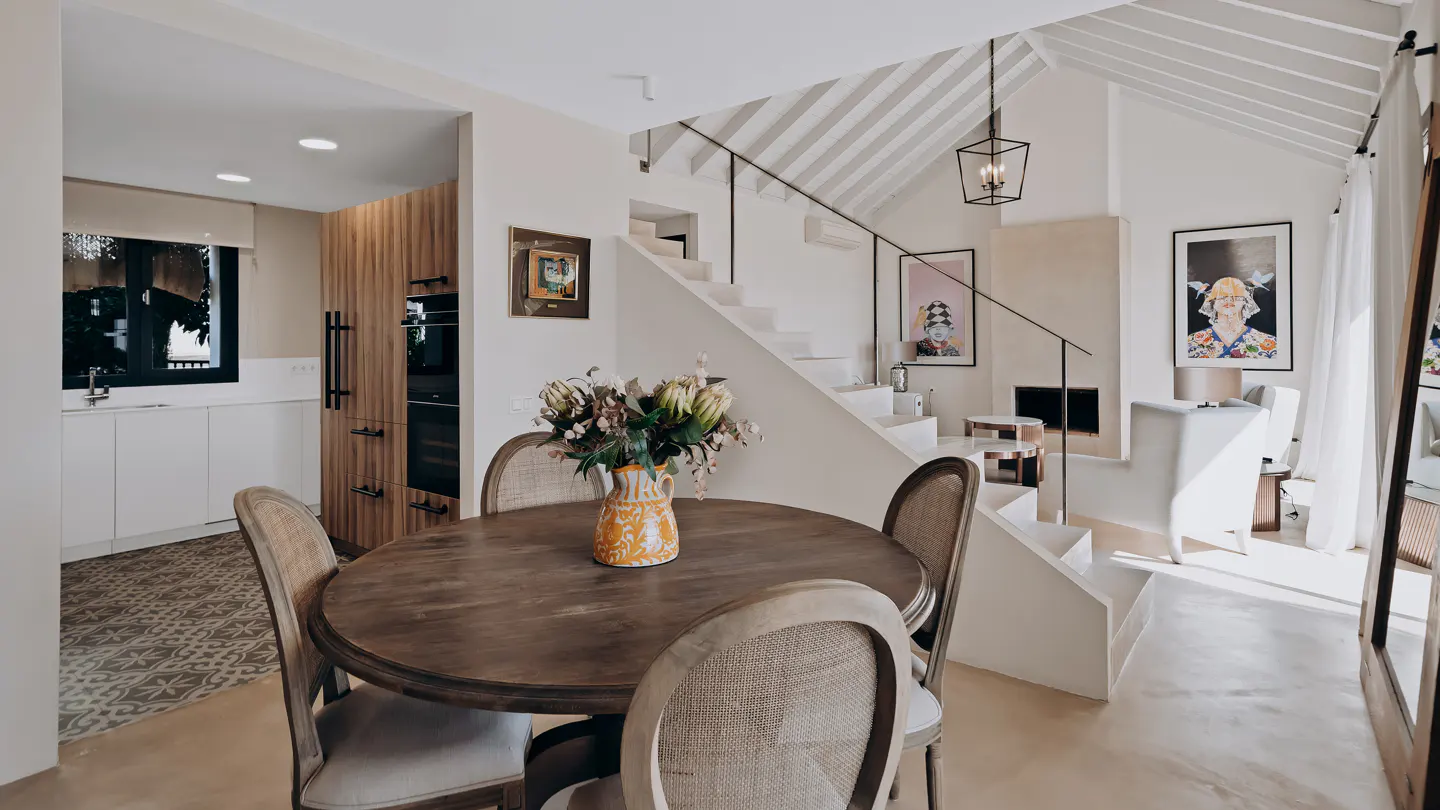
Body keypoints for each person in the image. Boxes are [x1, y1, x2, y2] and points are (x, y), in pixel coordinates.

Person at [1186, 276, 1277, 360]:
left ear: (1245, 301)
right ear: (1213, 301)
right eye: (1222, 296)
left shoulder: (1270, 343)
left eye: (1236, 296)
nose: (1229, 300)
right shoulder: (1190, 343)